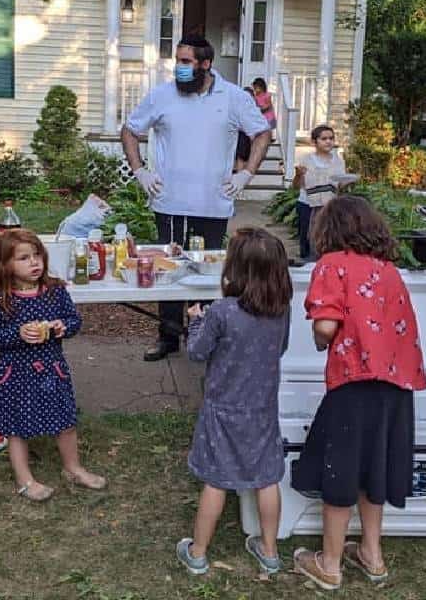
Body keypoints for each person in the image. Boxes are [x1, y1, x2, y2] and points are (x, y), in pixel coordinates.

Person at [290, 196, 426, 591]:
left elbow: (327, 327)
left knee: (342, 471)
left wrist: (319, 340)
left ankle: (329, 565)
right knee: (375, 471)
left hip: (354, 384)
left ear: (328, 231)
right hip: (397, 386)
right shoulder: (389, 270)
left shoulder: (331, 265)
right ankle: (372, 554)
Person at [121, 35, 272, 361]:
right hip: (169, 200)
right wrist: (140, 171)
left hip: (213, 201)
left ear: (206, 64)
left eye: (187, 62)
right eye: (177, 61)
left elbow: (262, 133)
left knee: (206, 274)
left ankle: (204, 337)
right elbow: (130, 130)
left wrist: (246, 174)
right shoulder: (162, 95)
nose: (180, 68)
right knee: (170, 269)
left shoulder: (232, 97)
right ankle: (168, 337)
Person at [175, 228, 292, 577]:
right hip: (262, 408)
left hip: (222, 409)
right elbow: (281, 349)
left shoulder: (221, 312)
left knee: (216, 479)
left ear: (234, 269)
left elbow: (197, 353)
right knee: (266, 478)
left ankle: (197, 553)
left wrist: (195, 321)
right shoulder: (281, 309)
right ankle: (269, 551)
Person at [0, 228, 106, 501]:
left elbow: (74, 320)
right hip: (17, 373)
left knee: (65, 419)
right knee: (17, 426)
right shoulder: (1, 297)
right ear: (5, 264)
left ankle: (73, 467)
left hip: (52, 368)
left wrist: (64, 327)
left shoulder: (54, 290)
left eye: (37, 255)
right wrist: (18, 334)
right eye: (24, 258)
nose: (34, 262)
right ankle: (25, 478)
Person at [291, 124, 346, 260]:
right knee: (307, 238)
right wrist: (298, 175)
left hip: (329, 207)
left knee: (328, 238)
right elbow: (296, 187)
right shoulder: (306, 160)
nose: (328, 141)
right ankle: (308, 264)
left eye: (331, 138)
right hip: (307, 205)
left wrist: (346, 183)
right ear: (314, 142)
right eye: (324, 139)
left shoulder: (338, 161)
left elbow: (340, 186)